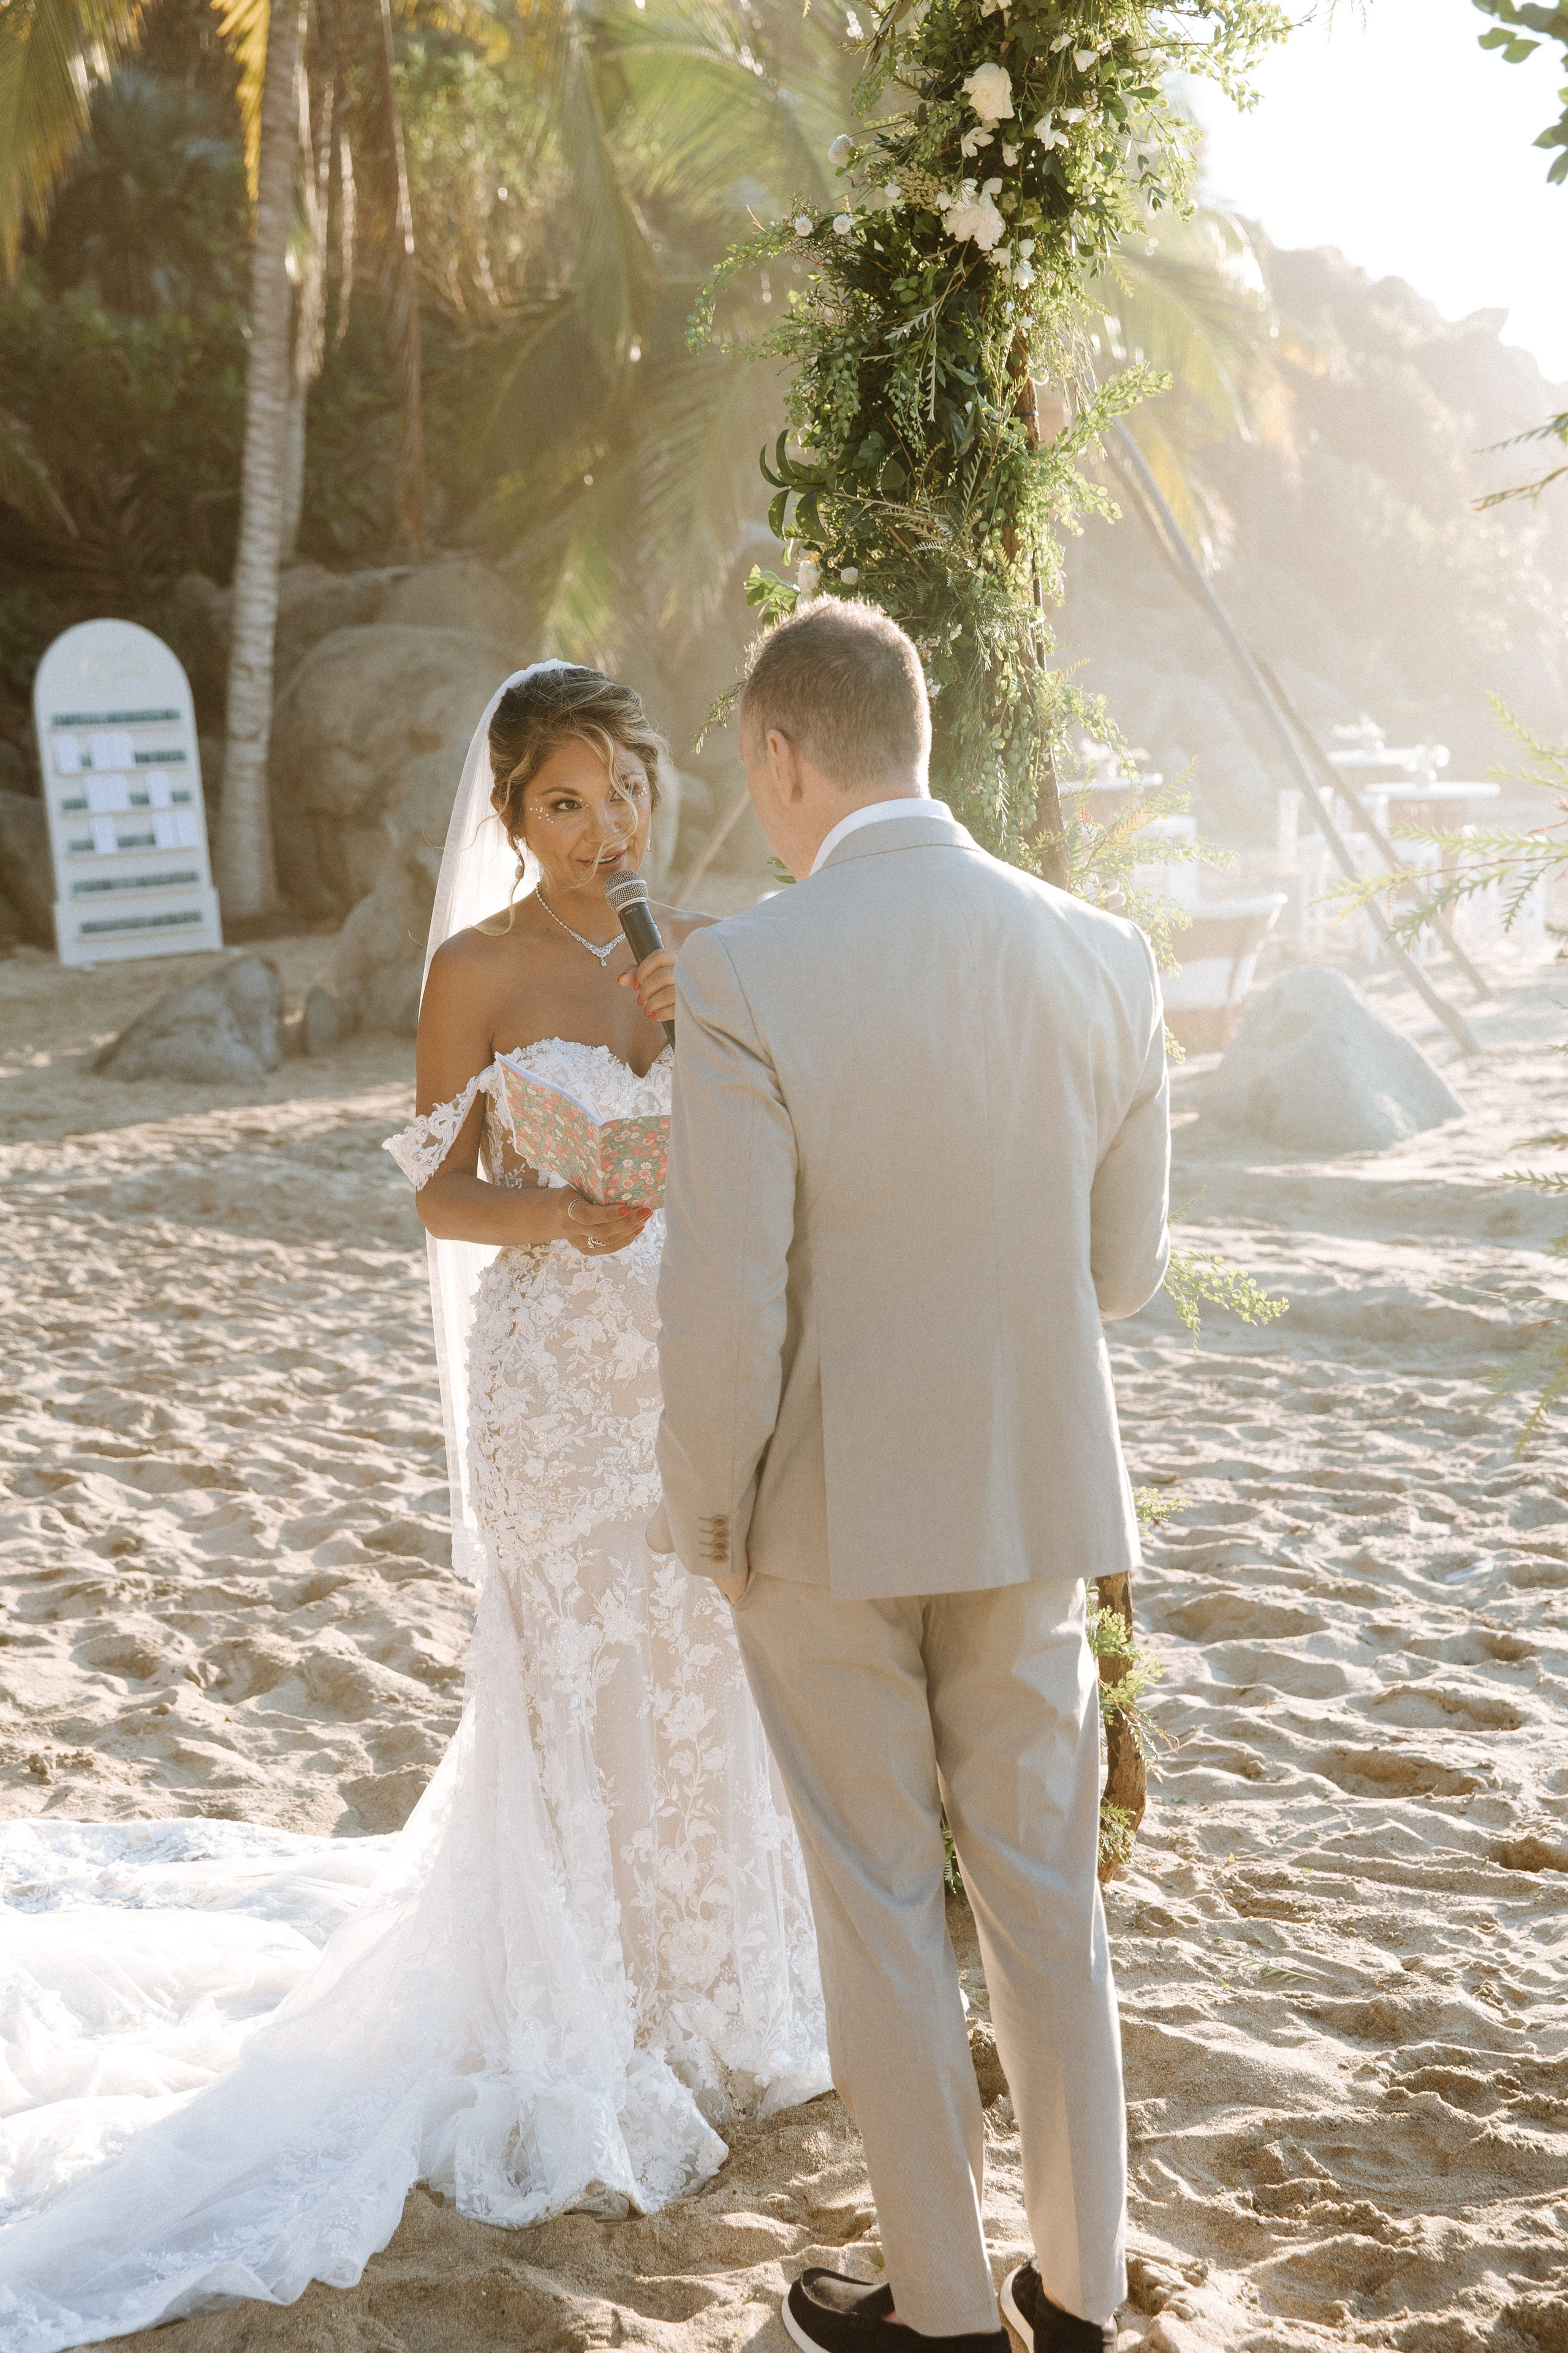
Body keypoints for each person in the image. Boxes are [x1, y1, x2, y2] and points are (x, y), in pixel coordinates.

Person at [0, 662, 827, 2352]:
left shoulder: (701, 956)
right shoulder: (474, 971)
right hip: (546, 1380)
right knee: (569, 1676)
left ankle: (697, 1994)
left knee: (689, 1667)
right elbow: (444, 1195)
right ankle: (570, 2010)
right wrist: (565, 1218)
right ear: (512, 815)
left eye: (629, 795)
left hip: (684, 1364)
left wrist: (694, 1035)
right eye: (568, 802)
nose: (609, 830)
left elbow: (760, 1159)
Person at [655, 602, 1170, 2353]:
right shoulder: (1110, 955)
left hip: (823, 1520)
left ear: (787, 758)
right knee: (1047, 1908)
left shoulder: (740, 973)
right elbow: (1121, 1276)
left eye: (756, 777)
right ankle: (1085, 2301)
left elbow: (729, 1297)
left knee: (880, 1914)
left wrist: (709, 1516)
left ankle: (941, 2319)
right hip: (1034, 1509)